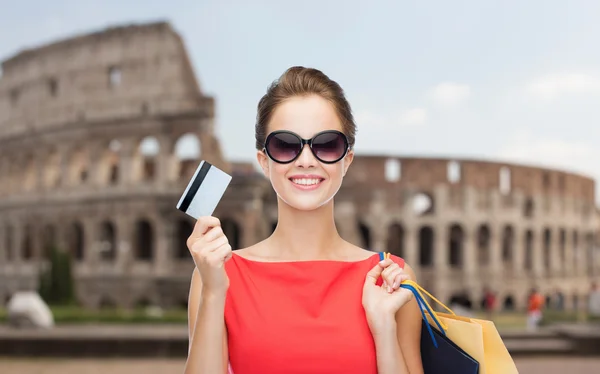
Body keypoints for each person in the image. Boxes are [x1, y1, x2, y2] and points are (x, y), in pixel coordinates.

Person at [184, 66, 424, 374]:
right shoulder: (217, 275)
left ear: (346, 160)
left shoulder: (392, 277)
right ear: (264, 162)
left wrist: (384, 331)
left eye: (327, 144)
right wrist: (214, 292)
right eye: (285, 145)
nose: (307, 160)